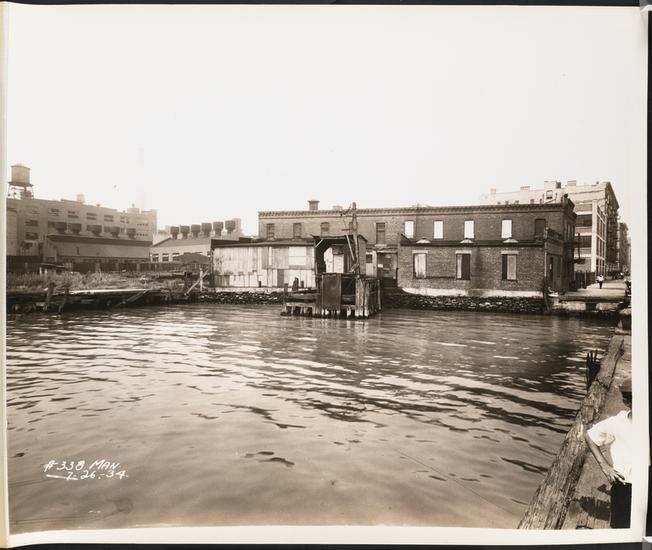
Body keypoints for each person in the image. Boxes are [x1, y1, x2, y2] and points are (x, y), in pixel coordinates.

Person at [584, 378, 632, 528]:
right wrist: (605, 466)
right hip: (625, 483)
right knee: (621, 526)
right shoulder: (618, 423)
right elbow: (590, 436)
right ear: (627, 402)